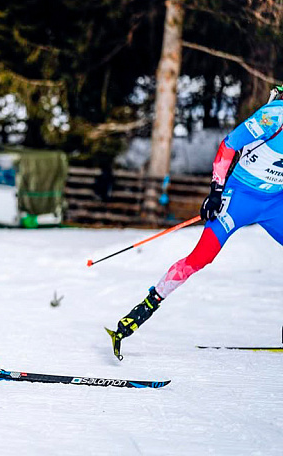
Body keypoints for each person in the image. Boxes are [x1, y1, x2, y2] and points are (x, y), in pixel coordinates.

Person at [107, 85, 283, 360]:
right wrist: (215, 191)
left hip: (276, 202)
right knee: (201, 257)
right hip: (240, 199)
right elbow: (228, 145)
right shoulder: (274, 116)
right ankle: (139, 313)